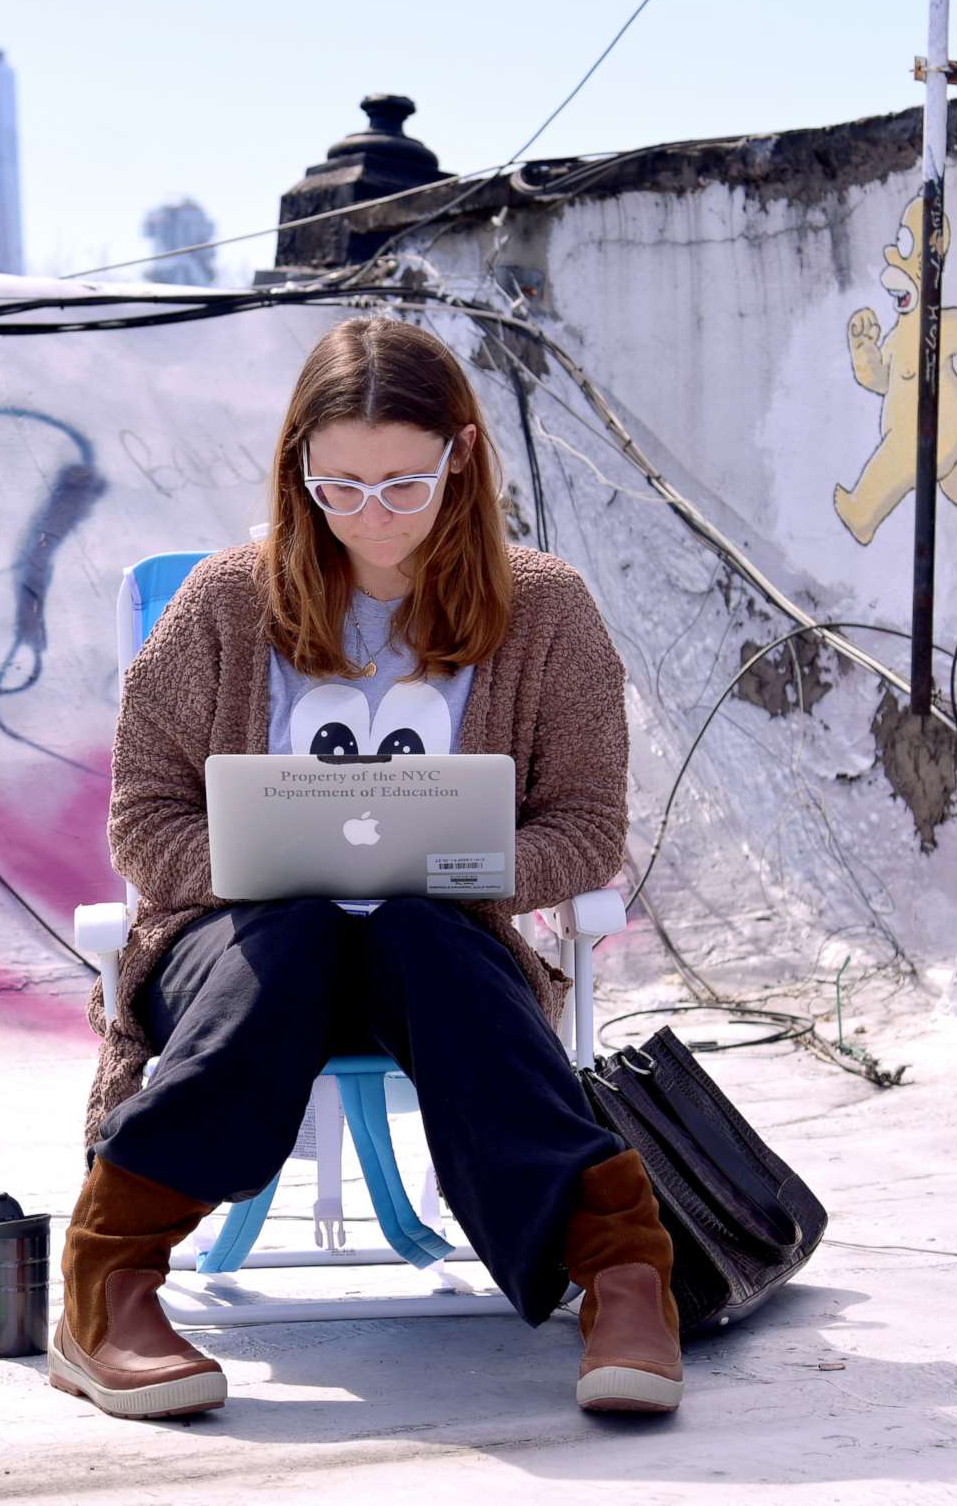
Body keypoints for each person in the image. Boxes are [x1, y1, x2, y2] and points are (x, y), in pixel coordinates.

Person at [51, 316, 685, 1421]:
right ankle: (108, 1276)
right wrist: (254, 862)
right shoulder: (223, 603)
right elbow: (142, 817)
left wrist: (458, 862)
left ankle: (624, 1269)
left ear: (464, 459)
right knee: (293, 940)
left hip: (442, 935)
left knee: (413, 932)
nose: (371, 516)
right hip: (236, 937)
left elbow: (587, 825)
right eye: (338, 486)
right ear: (298, 465)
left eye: (404, 484)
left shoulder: (546, 609)